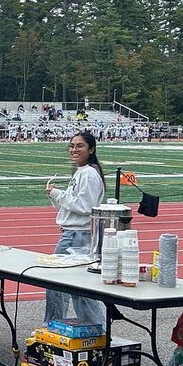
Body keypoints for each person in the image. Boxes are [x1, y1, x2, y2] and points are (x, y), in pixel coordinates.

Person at [43, 130, 107, 325]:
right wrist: (56, 197)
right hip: (74, 234)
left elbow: (85, 207)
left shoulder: (88, 174)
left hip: (76, 235)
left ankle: (54, 325)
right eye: (71, 146)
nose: (74, 149)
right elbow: (75, 205)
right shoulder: (82, 172)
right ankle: (94, 329)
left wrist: (58, 194)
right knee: (76, 288)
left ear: (91, 149)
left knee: (61, 285)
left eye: (79, 146)